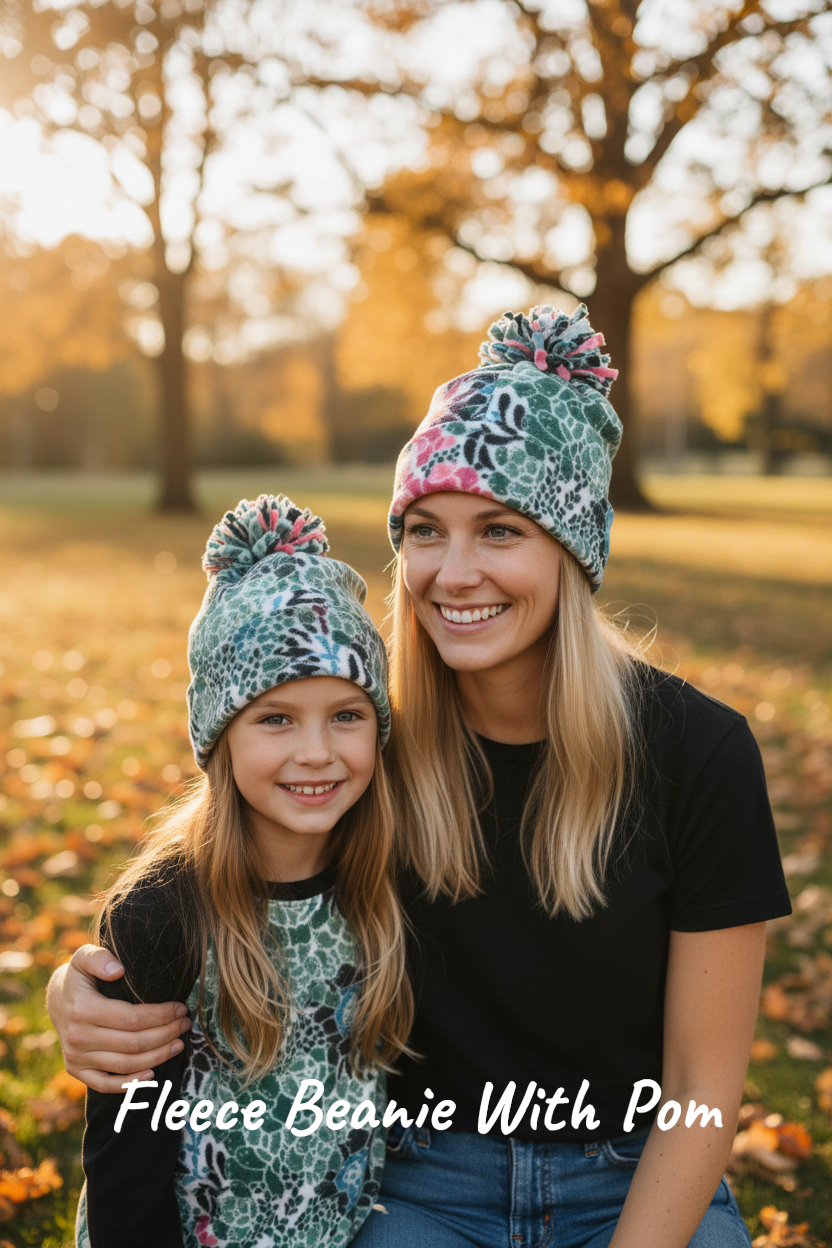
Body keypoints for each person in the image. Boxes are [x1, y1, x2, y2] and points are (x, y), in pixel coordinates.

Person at [49, 306, 791, 1248]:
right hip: (422, 1180)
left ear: (572, 549)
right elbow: (213, 873)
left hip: (635, 1173)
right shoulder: (363, 742)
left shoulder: (698, 753)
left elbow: (700, 1087)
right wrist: (86, 990)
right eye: (426, 531)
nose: (454, 571)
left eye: (500, 531)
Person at [73, 492, 412, 1248]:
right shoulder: (162, 913)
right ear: (220, 738)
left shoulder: (383, 882)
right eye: (276, 718)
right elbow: (124, 1156)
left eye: (347, 714)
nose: (317, 751)